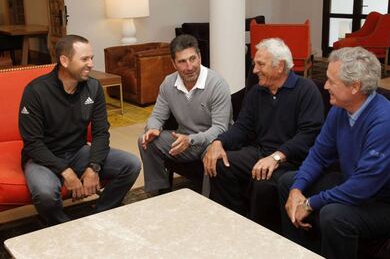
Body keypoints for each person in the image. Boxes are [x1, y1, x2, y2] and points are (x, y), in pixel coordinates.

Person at [279, 47, 390, 259]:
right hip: (360, 185)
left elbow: (364, 186)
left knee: (335, 216)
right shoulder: (340, 109)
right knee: (288, 181)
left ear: (355, 87)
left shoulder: (388, 122)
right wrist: (297, 189)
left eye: (332, 81)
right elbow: (319, 154)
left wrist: (311, 203)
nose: (325, 86)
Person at [203, 38, 324, 232]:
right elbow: (243, 127)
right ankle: (233, 224)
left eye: (261, 64)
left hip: (291, 160)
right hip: (259, 153)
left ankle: (260, 235)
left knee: (263, 184)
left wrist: (277, 156)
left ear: (280, 66)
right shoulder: (257, 91)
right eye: (255, 64)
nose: (254, 70)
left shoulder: (306, 90)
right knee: (220, 163)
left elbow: (309, 135)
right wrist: (219, 142)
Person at [19, 35, 140, 226]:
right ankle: (64, 225)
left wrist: (94, 167)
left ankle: (100, 214)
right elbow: (33, 144)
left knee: (131, 165)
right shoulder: (36, 91)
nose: (91, 64)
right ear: (64, 61)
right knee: (45, 193)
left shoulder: (93, 87)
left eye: (91, 58)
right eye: (85, 59)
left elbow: (101, 132)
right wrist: (65, 171)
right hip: (43, 158)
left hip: (78, 151)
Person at [138, 34, 232, 193]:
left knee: (213, 157)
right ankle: (159, 194)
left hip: (212, 141)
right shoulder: (168, 83)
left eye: (192, 59)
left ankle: (207, 205)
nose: (189, 67)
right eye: (182, 61)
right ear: (173, 63)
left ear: (200, 57)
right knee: (146, 141)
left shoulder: (217, 84)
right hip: (183, 140)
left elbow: (220, 128)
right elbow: (157, 116)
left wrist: (192, 139)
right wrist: (153, 128)